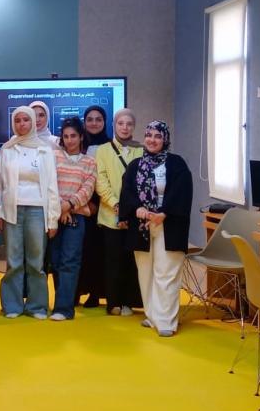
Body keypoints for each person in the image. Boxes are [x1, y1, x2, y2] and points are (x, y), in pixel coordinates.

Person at [119, 121, 192, 337]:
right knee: (146, 273)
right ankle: (152, 316)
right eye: (149, 135)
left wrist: (164, 212)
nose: (152, 140)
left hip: (169, 225)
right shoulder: (135, 165)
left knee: (166, 273)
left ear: (165, 139)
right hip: (142, 226)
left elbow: (182, 192)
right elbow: (127, 192)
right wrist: (138, 208)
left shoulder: (176, 164)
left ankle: (166, 321)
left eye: (158, 136)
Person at [0, 106, 60, 319]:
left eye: (26, 120)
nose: (22, 124)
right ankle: (12, 306)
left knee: (36, 262)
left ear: (32, 122)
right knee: (13, 261)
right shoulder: (7, 149)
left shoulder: (44, 150)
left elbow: (51, 186)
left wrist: (53, 219)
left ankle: (37, 307)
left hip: (37, 211)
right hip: (11, 210)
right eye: (18, 120)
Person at [95, 108, 143, 316]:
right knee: (113, 261)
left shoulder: (141, 150)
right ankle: (113, 302)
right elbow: (101, 181)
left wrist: (130, 210)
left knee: (132, 261)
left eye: (129, 124)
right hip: (110, 214)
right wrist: (116, 205)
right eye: (121, 123)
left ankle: (128, 302)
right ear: (114, 125)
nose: (125, 127)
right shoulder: (103, 150)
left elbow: (143, 183)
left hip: (135, 215)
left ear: (134, 127)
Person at [49, 117, 96, 321]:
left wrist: (69, 205)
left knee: (70, 261)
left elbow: (87, 189)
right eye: (66, 136)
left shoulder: (89, 162)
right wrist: (61, 208)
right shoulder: (54, 157)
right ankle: (60, 302)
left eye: (73, 136)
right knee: (55, 262)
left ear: (81, 137)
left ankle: (64, 309)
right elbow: (49, 183)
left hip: (76, 217)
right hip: (54, 215)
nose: (69, 140)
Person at [78, 105, 110, 308]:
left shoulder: (110, 146)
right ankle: (77, 291)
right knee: (80, 252)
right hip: (80, 205)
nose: (94, 123)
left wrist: (98, 203)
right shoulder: (79, 144)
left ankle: (96, 293)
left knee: (98, 252)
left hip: (102, 207)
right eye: (90, 119)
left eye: (98, 119)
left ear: (105, 122)